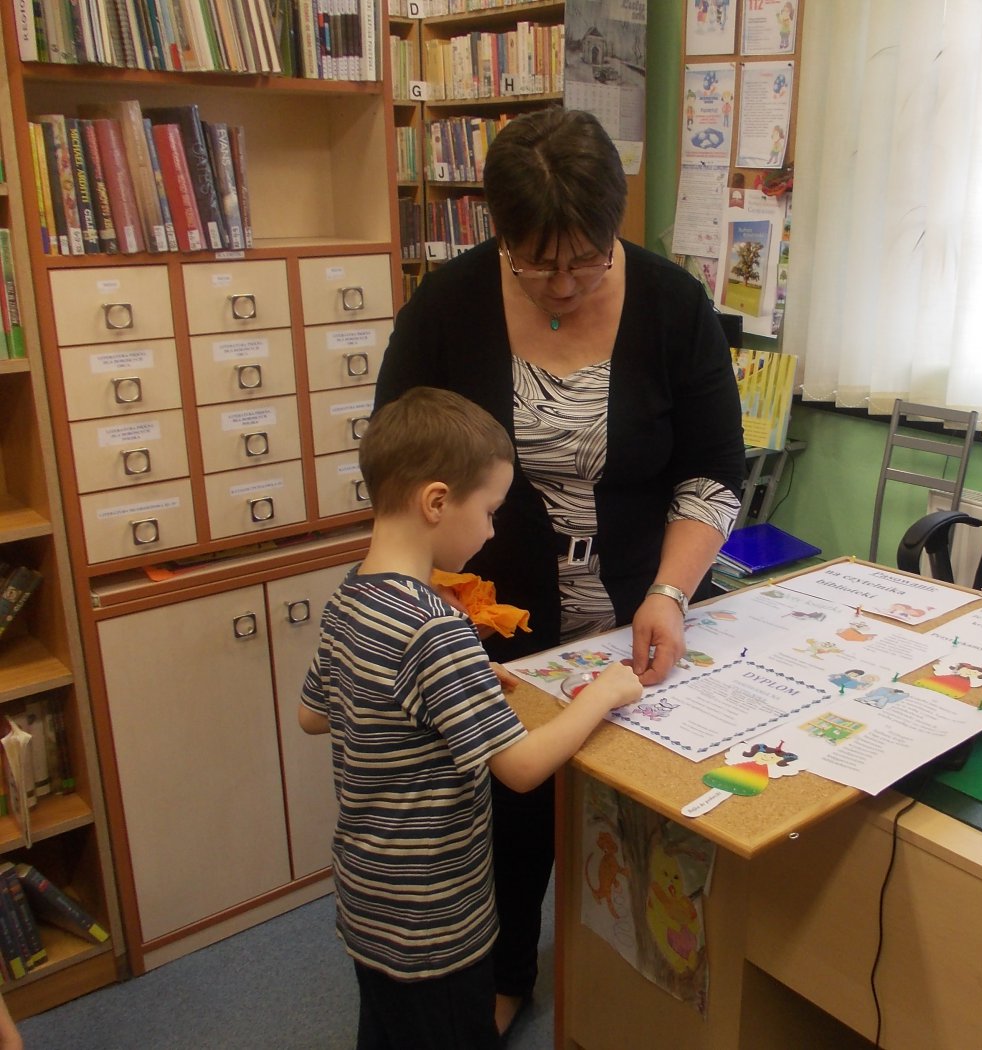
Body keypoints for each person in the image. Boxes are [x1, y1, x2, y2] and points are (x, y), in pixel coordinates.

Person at [374, 107, 747, 1033]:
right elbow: (397, 468)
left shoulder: (673, 305)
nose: (567, 283)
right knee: (509, 808)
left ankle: (640, 993)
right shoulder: (447, 307)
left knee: (653, 810)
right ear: (499, 234)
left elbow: (712, 474)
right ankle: (506, 973)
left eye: (588, 259)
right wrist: (420, 595)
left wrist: (669, 591)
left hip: (642, 602)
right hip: (493, 612)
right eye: (539, 263)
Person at [299, 387, 643, 1049]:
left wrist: (446, 688)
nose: (490, 531)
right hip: (434, 916)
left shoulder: (350, 595)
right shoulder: (437, 629)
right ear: (436, 502)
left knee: (388, 1031)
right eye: (488, 511)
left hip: (368, 894)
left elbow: (314, 714)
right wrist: (600, 697)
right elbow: (520, 769)